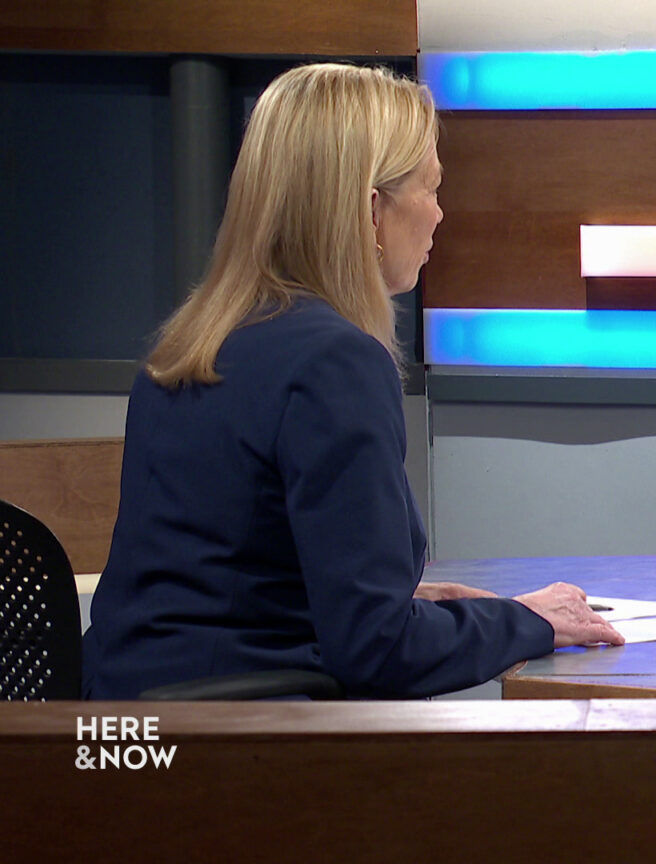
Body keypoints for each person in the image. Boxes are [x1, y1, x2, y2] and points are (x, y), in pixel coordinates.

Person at [82, 63, 623, 700]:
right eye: (430, 188)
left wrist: (417, 600)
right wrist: (527, 622)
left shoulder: (191, 345)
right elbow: (379, 650)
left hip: (118, 739)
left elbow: (229, 582)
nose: (439, 215)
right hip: (242, 759)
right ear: (371, 211)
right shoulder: (334, 363)